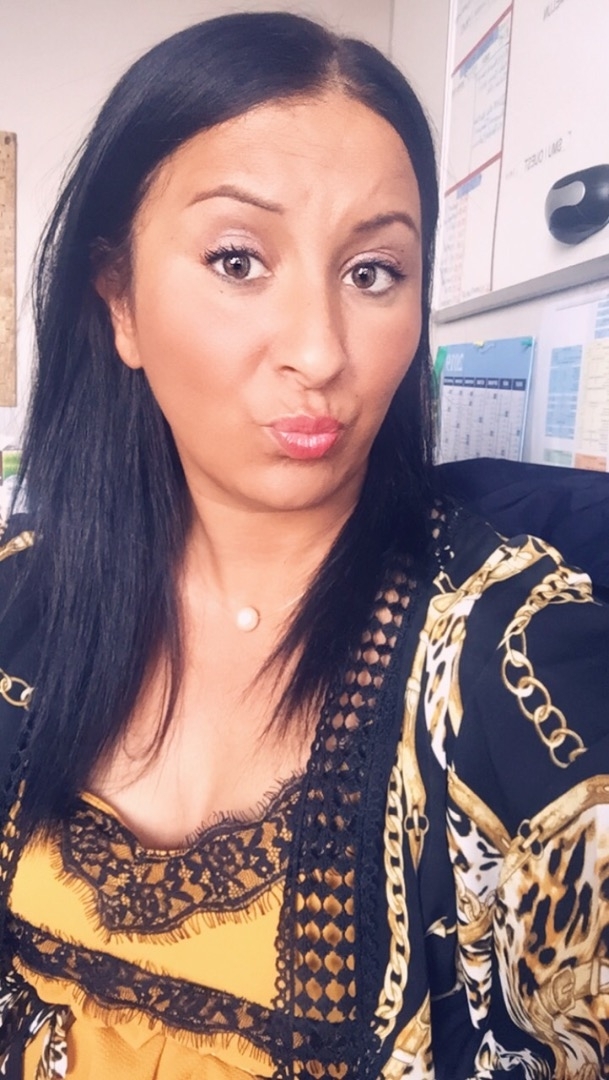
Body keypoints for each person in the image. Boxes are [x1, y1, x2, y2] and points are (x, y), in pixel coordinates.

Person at [0, 11, 607, 1079]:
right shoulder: (22, 597)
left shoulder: (518, 665)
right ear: (120, 303)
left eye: (373, 272)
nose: (322, 352)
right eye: (238, 260)